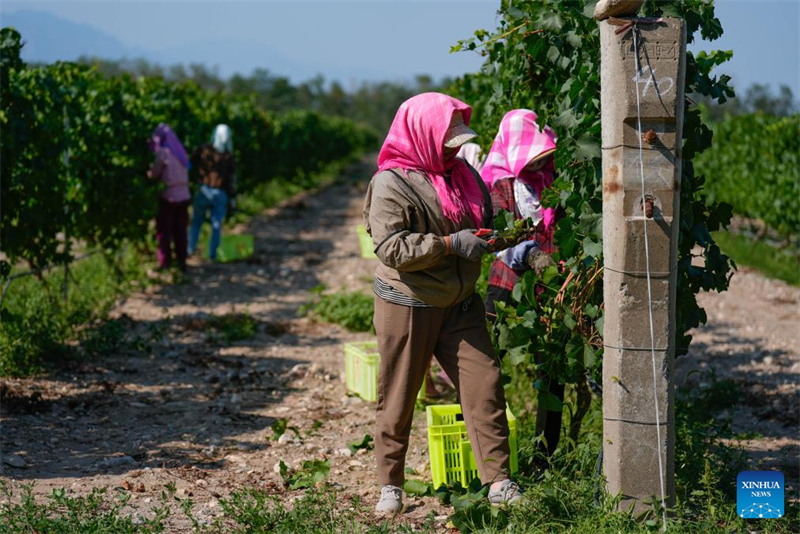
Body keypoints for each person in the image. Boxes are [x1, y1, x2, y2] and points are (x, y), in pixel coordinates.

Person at [363, 93, 522, 515]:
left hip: (460, 302)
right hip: (409, 303)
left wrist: (492, 238)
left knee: (484, 384)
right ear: (422, 134)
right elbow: (392, 248)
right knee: (399, 395)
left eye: (457, 141)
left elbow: (476, 216)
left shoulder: (461, 172)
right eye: (447, 140)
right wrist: (451, 244)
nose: (454, 148)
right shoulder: (391, 183)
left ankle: (499, 481)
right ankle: (391, 484)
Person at [481, 109, 563, 456]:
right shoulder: (499, 183)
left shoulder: (553, 180)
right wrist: (531, 256)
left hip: (552, 288)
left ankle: (546, 453)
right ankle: (486, 446)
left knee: (552, 369)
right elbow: (499, 236)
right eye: (530, 158)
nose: (536, 165)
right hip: (506, 284)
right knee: (485, 362)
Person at [188, 124, 237, 261]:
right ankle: (212, 254)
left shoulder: (204, 150)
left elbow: (189, 164)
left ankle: (190, 249)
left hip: (203, 189)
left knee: (197, 221)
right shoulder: (228, 156)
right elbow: (232, 180)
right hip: (219, 193)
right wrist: (233, 199)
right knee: (216, 225)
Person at [147, 123, 191, 271]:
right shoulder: (180, 152)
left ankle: (165, 263)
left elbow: (154, 174)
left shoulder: (163, 153)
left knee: (164, 232)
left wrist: (147, 173)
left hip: (168, 198)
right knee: (180, 231)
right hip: (184, 196)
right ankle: (182, 262)